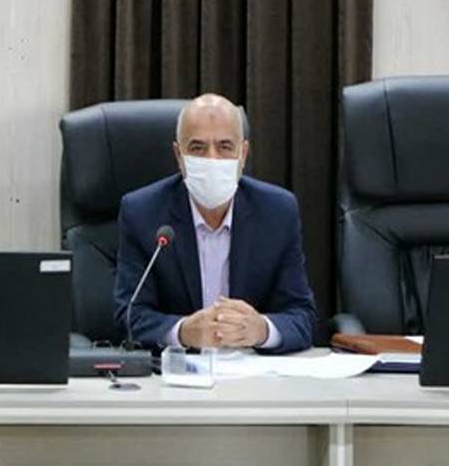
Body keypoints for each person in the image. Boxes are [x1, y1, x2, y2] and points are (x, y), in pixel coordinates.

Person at [114, 93, 317, 353]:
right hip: (176, 372)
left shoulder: (277, 211)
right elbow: (129, 315)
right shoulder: (142, 213)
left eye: (225, 147)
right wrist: (182, 332)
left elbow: (302, 317)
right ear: (179, 155)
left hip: (252, 371)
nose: (212, 159)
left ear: (243, 154)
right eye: (198, 148)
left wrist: (262, 330)